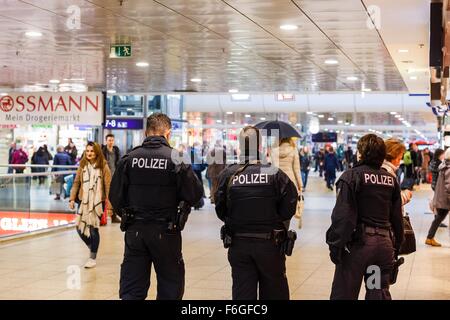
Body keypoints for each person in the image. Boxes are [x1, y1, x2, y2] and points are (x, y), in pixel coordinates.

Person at [109, 113, 203, 300]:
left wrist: (130, 215)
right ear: (167, 134)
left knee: (132, 288)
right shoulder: (176, 159)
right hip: (166, 230)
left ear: (146, 132)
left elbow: (115, 196)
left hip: (135, 231)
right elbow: (194, 194)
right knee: (170, 285)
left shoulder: (129, 158)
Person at [215, 126, 298, 300]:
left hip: (239, 244)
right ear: (260, 146)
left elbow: (221, 210)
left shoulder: (228, 175)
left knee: (242, 293)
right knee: (275, 292)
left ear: (239, 146)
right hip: (270, 245)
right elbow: (289, 207)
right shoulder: (275, 174)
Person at [326, 134, 404, 300]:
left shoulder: (352, 176)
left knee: (345, 293)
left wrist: (335, 245)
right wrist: (396, 246)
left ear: (361, 153)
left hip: (359, 248)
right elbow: (397, 217)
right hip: (382, 248)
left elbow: (343, 216)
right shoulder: (390, 179)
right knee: (376, 291)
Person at [69, 142, 112, 269]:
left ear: (97, 152)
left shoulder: (104, 166)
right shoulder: (82, 165)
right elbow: (76, 183)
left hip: (98, 202)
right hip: (83, 201)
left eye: (92, 151)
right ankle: (92, 246)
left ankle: (92, 257)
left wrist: (110, 207)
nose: (89, 153)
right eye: (87, 151)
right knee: (79, 227)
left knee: (93, 229)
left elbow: (108, 187)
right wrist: (72, 199)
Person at [271, 137, 303, 227]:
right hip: (290, 183)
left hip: (276, 182)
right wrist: (300, 185)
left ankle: (276, 230)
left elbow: (273, 168)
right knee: (287, 208)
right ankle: (285, 229)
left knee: (276, 207)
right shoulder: (293, 149)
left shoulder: (274, 150)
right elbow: (297, 170)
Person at [426, 148, 450, 247]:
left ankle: (429, 237)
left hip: (441, 197)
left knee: (439, 218)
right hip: (445, 198)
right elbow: (449, 185)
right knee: (439, 218)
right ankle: (429, 237)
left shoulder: (443, 165)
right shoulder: (448, 167)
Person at [382, 139, 412, 215]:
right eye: (400, 157)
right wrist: (406, 195)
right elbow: (391, 201)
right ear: (394, 155)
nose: (401, 159)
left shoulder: (383, 169)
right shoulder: (388, 172)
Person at [102, 134, 121, 223]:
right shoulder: (103, 151)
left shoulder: (116, 151)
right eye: (109, 140)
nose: (111, 142)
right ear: (106, 141)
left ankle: (114, 216)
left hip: (114, 176)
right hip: (105, 177)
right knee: (104, 196)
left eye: (112, 140)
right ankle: (102, 216)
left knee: (114, 197)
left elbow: (119, 162)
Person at [429, 149, 447, 228]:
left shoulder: (433, 162)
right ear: (440, 154)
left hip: (434, 184)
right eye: (443, 154)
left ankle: (437, 220)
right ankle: (438, 220)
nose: (444, 156)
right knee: (439, 204)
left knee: (437, 203)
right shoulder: (439, 163)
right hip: (438, 185)